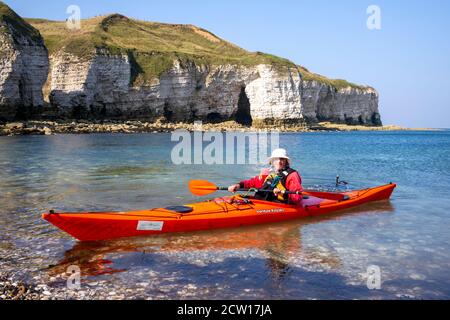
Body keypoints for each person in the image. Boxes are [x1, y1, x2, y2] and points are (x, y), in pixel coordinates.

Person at [228, 148, 303, 204]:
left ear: (286, 161)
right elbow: (253, 182)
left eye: (282, 159)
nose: (279, 161)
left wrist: (281, 193)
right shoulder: (267, 173)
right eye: (276, 159)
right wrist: (238, 185)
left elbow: (296, 198)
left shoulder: (292, 175)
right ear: (272, 162)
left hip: (280, 204)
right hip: (263, 202)